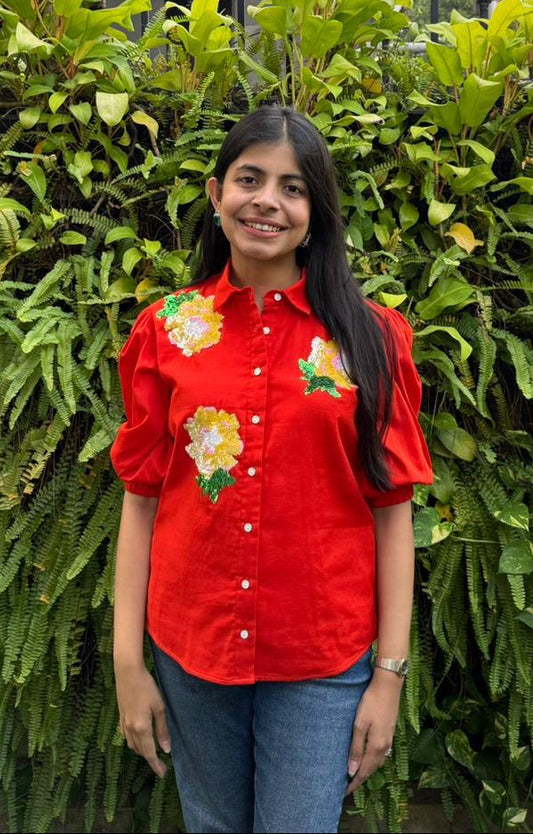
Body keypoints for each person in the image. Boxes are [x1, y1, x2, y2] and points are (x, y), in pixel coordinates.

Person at [110, 105, 433, 834]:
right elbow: (141, 500)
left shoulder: (373, 338)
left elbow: (393, 513)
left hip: (320, 657)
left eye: (292, 187)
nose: (267, 200)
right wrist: (129, 663)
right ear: (218, 193)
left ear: (314, 212)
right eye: (249, 178)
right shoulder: (166, 330)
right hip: (191, 649)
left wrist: (389, 676)